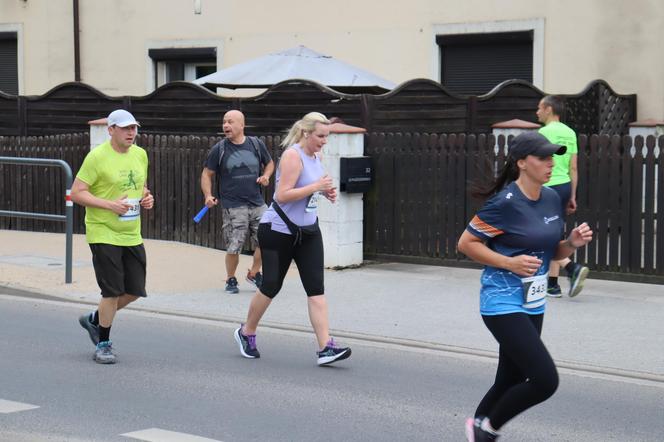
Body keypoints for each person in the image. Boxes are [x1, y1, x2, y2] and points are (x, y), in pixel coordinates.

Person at [457, 131, 593, 441]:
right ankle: (488, 430)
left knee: (510, 376)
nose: (550, 164)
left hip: (534, 301)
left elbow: (552, 252)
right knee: (545, 380)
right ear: (521, 163)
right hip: (501, 301)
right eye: (543, 158)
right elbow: (466, 243)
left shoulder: (551, 199)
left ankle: (478, 426)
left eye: (552, 158)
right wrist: (509, 263)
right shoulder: (504, 203)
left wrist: (571, 244)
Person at [233, 112, 351, 366]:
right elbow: (282, 195)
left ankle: (325, 348)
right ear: (306, 133)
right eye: (320, 136)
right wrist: (315, 188)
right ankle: (246, 332)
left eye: (327, 136)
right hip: (278, 232)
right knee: (271, 286)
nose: (324, 141)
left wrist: (325, 192)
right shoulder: (292, 156)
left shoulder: (316, 156)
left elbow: (311, 189)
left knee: (316, 288)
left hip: (308, 231)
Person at [72, 109, 154, 364]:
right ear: (111, 130)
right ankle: (103, 344)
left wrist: (147, 197)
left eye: (134, 128)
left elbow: (139, 185)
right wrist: (109, 205)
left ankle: (94, 319)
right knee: (111, 290)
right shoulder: (96, 157)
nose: (132, 133)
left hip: (131, 233)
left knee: (134, 290)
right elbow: (77, 193)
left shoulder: (140, 154)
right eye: (126, 128)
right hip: (103, 231)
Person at [200, 110, 275, 294]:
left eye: (230, 122)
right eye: (224, 122)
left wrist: (265, 176)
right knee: (234, 246)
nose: (226, 125)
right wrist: (208, 195)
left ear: (242, 125)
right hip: (233, 206)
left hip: (257, 203)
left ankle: (254, 272)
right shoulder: (220, 148)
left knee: (268, 241)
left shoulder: (256, 144)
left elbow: (270, 163)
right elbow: (207, 174)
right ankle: (231, 278)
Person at [536, 95, 590, 298]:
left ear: (549, 109)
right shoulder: (570, 133)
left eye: (539, 108)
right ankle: (552, 285)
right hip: (564, 185)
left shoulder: (542, 133)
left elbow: (538, 164)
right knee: (553, 230)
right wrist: (572, 195)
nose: (537, 112)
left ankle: (572, 267)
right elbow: (573, 167)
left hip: (546, 186)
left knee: (545, 232)